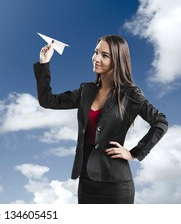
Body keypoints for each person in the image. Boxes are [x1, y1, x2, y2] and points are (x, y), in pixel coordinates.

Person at [33, 34, 168, 204]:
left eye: (104, 56)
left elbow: (160, 122)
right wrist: (44, 63)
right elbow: (48, 101)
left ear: (117, 61)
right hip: (86, 182)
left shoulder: (130, 94)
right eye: (96, 52)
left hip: (116, 185)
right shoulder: (85, 91)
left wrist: (134, 153)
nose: (96, 58)